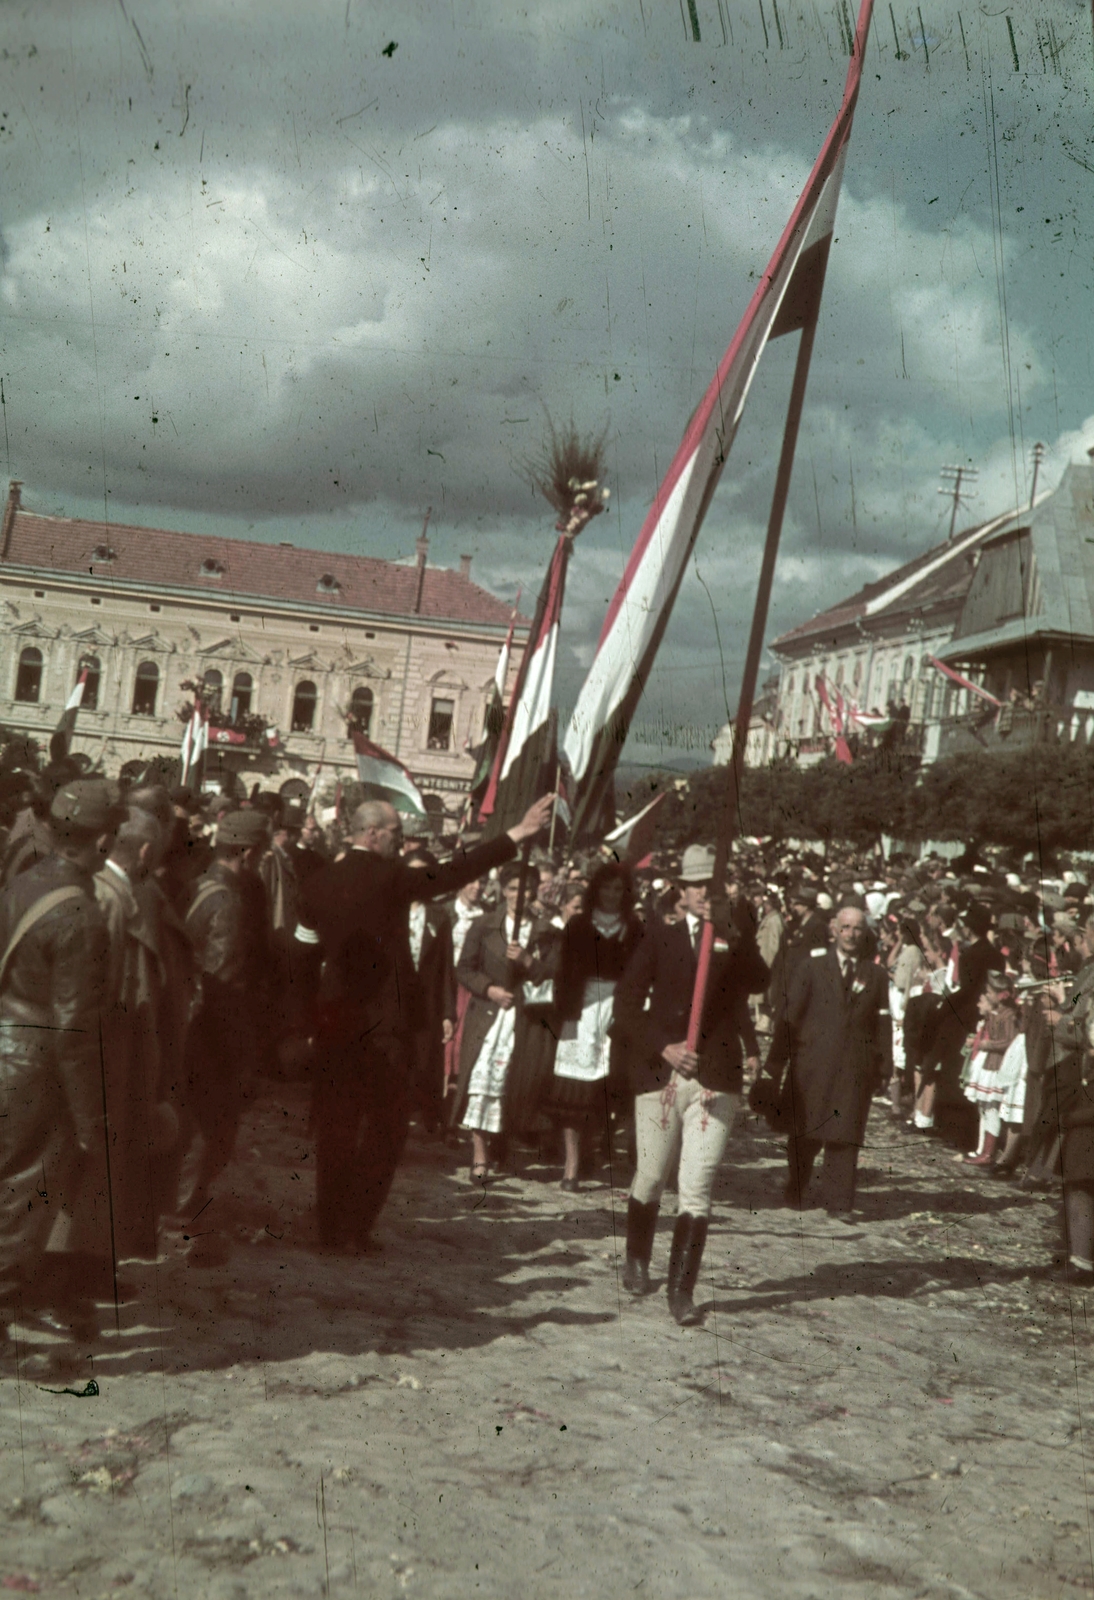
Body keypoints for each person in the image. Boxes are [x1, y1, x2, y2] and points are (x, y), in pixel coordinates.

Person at [297, 792, 553, 1250]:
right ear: (372, 833)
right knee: (384, 1131)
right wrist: (515, 835)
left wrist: (303, 1022)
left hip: (335, 1022)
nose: (402, 842)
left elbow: (300, 953)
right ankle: (355, 1228)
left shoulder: (316, 882)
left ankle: (329, 1228)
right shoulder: (392, 877)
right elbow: (453, 873)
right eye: (396, 834)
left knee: (336, 1128)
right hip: (387, 1028)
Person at [613, 844, 768, 1325]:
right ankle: (637, 1257)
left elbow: (760, 981)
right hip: (661, 1075)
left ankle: (682, 1290)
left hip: (715, 1078)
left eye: (713, 885)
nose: (705, 893)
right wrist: (664, 1046)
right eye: (697, 884)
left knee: (697, 1187)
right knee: (653, 1174)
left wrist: (731, 933)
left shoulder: (732, 935)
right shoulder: (659, 936)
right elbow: (626, 1007)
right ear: (681, 889)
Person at [0, 779, 120, 1364]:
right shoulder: (81, 916)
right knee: (22, 1200)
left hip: (5, 1043)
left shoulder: (24, 884)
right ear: (102, 840)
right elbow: (76, 1031)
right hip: (35, 1064)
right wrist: (88, 1118)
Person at [755, 903, 891, 1221]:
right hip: (812, 1064)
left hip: (853, 1068)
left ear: (865, 932)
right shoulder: (812, 967)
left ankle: (839, 1202)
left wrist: (884, 1065)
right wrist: (776, 1063)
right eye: (845, 927)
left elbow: (882, 1022)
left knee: (845, 1133)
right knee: (804, 1131)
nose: (851, 935)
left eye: (858, 928)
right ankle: (797, 1187)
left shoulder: (875, 974)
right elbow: (790, 1017)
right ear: (834, 930)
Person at [179, 808, 273, 1242]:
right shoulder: (230, 903)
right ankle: (186, 1207)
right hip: (213, 1038)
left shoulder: (200, 884)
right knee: (211, 1128)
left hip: (189, 1027)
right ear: (250, 851)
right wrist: (244, 1057)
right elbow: (227, 986)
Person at [450, 861, 548, 1181]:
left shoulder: (547, 931)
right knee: (482, 1080)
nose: (519, 896)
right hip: (489, 1017)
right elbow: (464, 968)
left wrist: (528, 960)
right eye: (513, 889)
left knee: (511, 1083)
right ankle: (479, 1154)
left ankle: (501, 1145)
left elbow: (554, 976)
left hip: (525, 1020)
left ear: (536, 891)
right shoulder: (484, 925)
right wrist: (489, 989)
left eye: (527, 889)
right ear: (503, 890)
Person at [549, 862, 643, 1191]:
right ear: (595, 889)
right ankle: (571, 1164)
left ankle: (593, 1149)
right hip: (581, 1007)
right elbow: (562, 973)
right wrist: (565, 1012)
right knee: (575, 1090)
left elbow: (640, 974)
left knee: (606, 1087)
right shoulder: (577, 925)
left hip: (618, 1009)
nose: (612, 895)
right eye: (606, 887)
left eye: (618, 889)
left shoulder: (634, 927)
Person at [404, 850, 457, 1135]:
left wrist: (448, 1013)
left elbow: (446, 968)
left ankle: (428, 1119)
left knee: (425, 1061)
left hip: (427, 1003)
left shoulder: (439, 915)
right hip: (394, 1001)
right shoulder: (390, 909)